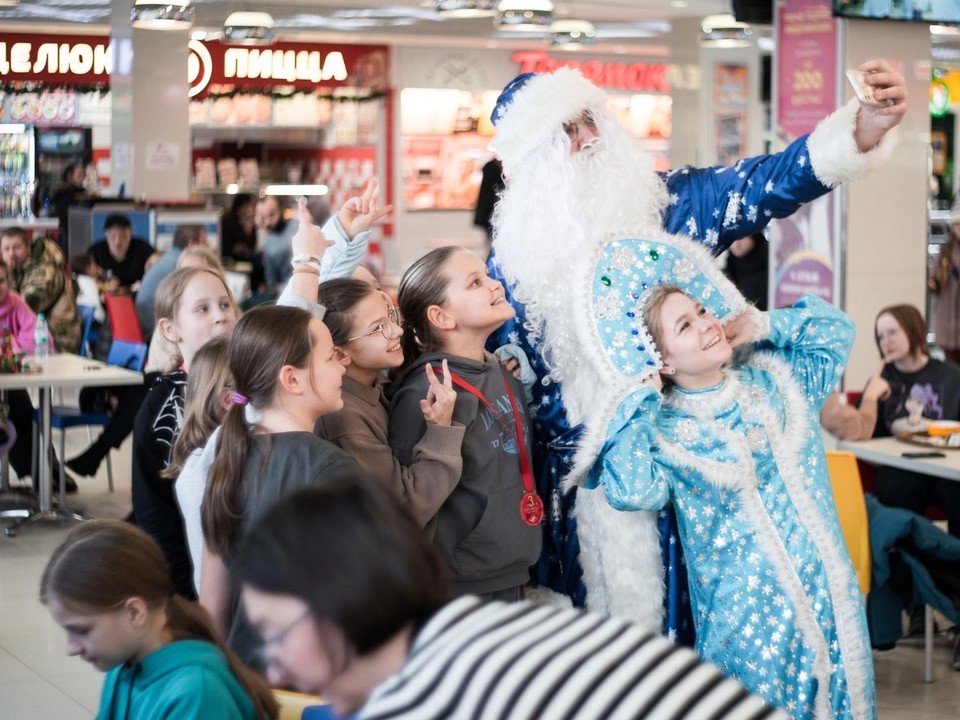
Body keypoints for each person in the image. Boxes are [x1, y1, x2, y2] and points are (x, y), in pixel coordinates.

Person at [484, 60, 908, 628]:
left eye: (590, 118)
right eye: (567, 128)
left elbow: (765, 182)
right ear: (532, 160)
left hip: (689, 487)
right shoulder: (508, 271)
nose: (589, 136)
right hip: (575, 516)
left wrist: (861, 130)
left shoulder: (672, 206)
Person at [571, 232, 873, 718]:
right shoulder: (666, 430)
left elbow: (837, 332)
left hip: (831, 610)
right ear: (663, 360)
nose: (706, 325)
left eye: (702, 312)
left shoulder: (776, 383)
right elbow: (632, 490)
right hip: (747, 636)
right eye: (685, 327)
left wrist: (764, 323)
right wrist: (640, 401)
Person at [230, 478, 788, 720]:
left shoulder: (426, 697)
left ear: (338, 600)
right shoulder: (471, 630)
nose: (272, 664)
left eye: (277, 633)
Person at [199, 305, 359, 670]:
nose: (342, 364)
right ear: (292, 379)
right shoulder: (331, 469)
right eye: (331, 355)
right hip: (308, 686)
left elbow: (213, 606)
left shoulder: (226, 461)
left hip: (244, 681)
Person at [386, 246, 540, 601]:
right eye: (475, 283)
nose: (494, 285)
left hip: (512, 571)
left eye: (487, 275)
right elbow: (406, 506)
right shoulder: (425, 394)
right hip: (459, 587)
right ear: (441, 317)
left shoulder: (501, 372)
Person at [40, 519, 277, 720]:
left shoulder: (196, 692)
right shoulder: (123, 665)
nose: (71, 648)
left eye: (82, 630)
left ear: (134, 612)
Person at [315, 277, 463, 527]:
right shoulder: (343, 417)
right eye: (377, 329)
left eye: (391, 315)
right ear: (339, 353)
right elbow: (403, 508)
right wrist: (441, 432)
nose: (397, 331)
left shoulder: (373, 385)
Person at [820, 303, 960, 537]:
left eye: (892, 332)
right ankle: (906, 567)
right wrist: (872, 395)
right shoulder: (882, 378)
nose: (886, 341)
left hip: (943, 470)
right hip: (900, 468)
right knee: (899, 486)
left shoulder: (952, 375)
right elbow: (859, 430)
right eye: (880, 336)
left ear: (913, 329)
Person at [0, 225, 81, 353]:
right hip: (29, 338)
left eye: (16, 247)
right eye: (6, 249)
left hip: (58, 340)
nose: (11, 254)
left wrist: (7, 272)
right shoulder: (18, 269)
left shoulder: (45, 273)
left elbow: (22, 307)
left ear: (28, 248)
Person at [136, 224, 209, 336]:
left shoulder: (169, 257)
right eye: (204, 241)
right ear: (192, 244)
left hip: (144, 319)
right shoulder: (182, 263)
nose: (208, 245)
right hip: (153, 326)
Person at [930, 199, 960, 364]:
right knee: (951, 366)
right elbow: (935, 277)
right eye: (956, 225)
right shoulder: (945, 251)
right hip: (947, 316)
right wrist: (933, 283)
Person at [91, 214, 156, 290]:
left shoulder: (144, 250)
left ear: (130, 234)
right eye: (113, 237)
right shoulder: (95, 252)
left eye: (122, 236)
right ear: (106, 234)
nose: (117, 242)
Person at [51, 163, 95, 252]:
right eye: (79, 174)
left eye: (83, 174)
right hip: (69, 238)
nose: (82, 177)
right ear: (70, 177)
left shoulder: (81, 194)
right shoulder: (66, 196)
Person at [256, 196, 297, 293]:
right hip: (283, 293)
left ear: (281, 210)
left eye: (272, 215)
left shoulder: (297, 227)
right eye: (263, 217)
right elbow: (270, 278)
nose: (268, 221)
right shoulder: (268, 241)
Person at [724, 231, 769, 310]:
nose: (736, 245)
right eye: (730, 241)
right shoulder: (730, 267)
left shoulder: (771, 261)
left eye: (740, 239)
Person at [473, 157, 504, 249]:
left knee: (492, 244)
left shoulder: (491, 168)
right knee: (494, 245)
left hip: (489, 215)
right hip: (490, 215)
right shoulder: (493, 170)